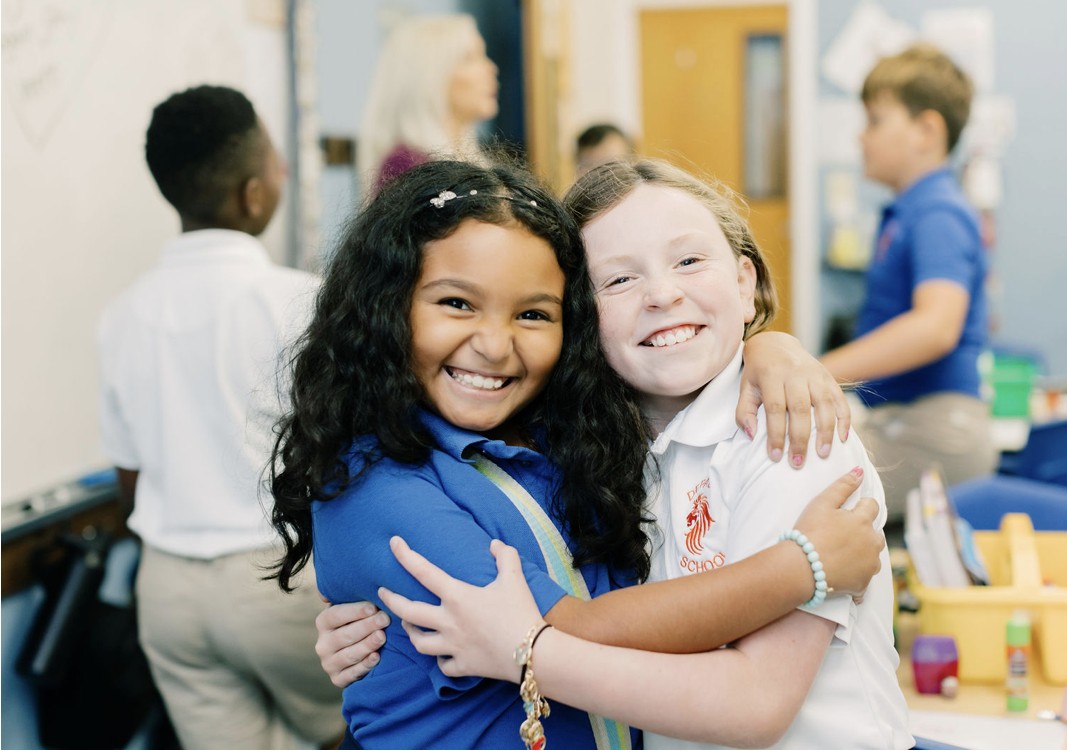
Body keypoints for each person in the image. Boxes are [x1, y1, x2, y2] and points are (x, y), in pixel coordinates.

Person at [268, 159, 886, 749]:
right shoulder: (385, 485)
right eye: (619, 279)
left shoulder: (780, 430)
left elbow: (745, 694)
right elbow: (574, 625)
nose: (493, 342)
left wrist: (771, 348)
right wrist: (802, 567)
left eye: (533, 313)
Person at [97, 85, 346, 748]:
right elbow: (341, 454)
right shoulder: (299, 304)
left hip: (168, 592)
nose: (283, 170)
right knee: (361, 729)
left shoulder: (121, 316)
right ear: (253, 195)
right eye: (274, 160)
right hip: (277, 580)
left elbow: (129, 480)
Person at [820, 44, 997, 519]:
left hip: (937, 430)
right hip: (910, 418)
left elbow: (935, 326)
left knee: (796, 488)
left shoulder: (938, 209)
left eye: (875, 121)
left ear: (927, 130)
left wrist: (818, 372)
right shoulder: (912, 209)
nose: (862, 138)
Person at [355, 13, 499, 199]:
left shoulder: (472, 161)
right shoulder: (406, 167)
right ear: (431, 77)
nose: (490, 69)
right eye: (470, 58)